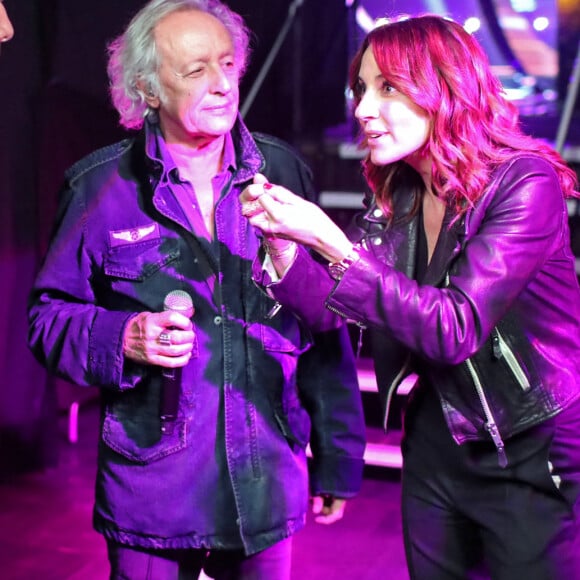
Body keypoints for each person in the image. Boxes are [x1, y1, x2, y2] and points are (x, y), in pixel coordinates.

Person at [27, 1, 366, 578]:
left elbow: (321, 324)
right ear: (148, 91)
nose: (221, 85)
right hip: (153, 490)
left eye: (228, 65)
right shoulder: (98, 188)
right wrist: (122, 335)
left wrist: (339, 455)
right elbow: (47, 319)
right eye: (195, 71)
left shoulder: (282, 171)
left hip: (264, 482)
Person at [240, 14, 580, 579]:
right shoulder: (399, 190)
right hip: (436, 442)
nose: (363, 109)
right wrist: (283, 245)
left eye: (388, 88)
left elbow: (456, 327)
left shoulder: (525, 183)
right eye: (361, 89)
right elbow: (333, 308)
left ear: (444, 88)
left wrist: (329, 240)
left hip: (528, 445)